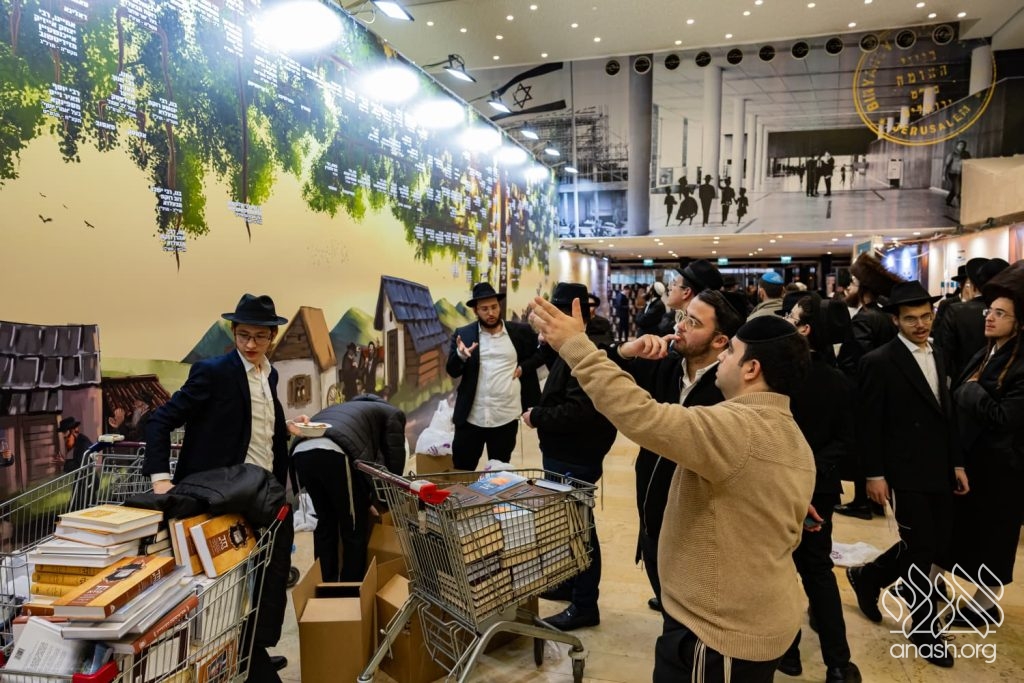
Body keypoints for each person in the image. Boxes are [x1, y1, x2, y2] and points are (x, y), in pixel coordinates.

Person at [529, 298, 815, 683]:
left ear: (752, 368)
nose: (723, 357)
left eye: (731, 351)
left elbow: (643, 415)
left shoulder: (739, 428)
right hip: (724, 620)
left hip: (717, 636)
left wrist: (575, 346)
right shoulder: (782, 428)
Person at [144, 293, 294, 681]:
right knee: (225, 587)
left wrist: (285, 434)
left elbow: (259, 425)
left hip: (262, 492)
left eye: (259, 337)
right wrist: (161, 478)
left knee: (267, 573)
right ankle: (249, 659)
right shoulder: (213, 372)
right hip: (221, 495)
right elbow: (160, 421)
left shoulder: (269, 374)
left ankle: (254, 647)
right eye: (243, 335)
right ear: (233, 331)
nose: (250, 344)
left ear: (272, 337)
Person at [845, 281, 969, 669]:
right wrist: (874, 474)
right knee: (920, 547)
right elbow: (868, 423)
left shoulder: (940, 353)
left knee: (934, 543)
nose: (920, 325)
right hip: (903, 468)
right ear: (895, 320)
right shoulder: (879, 361)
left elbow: (946, 413)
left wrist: (957, 463)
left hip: (939, 465)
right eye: (911, 319)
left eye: (926, 317)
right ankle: (924, 628)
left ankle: (868, 576)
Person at [616, 290, 740, 614]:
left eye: (693, 322)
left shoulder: (729, 388)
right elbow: (609, 382)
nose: (680, 326)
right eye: (683, 316)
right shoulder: (667, 366)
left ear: (720, 340)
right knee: (658, 570)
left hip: (696, 521)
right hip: (652, 501)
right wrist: (628, 352)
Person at [778, 293, 861, 683]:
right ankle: (838, 664)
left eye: (792, 317)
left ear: (806, 330)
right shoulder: (840, 380)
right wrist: (814, 470)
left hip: (778, 484)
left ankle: (788, 652)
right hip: (821, 489)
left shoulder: (781, 376)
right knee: (818, 570)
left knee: (779, 568)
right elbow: (846, 440)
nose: (786, 320)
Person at [523, 283, 617, 631]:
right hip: (564, 454)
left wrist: (537, 416)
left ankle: (584, 605)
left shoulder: (591, 352)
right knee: (569, 526)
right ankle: (570, 583)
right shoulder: (571, 347)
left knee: (581, 530)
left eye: (551, 315)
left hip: (576, 456)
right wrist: (545, 342)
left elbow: (578, 412)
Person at [946, 263, 1024, 627]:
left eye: (1000, 313)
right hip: (977, 460)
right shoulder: (989, 350)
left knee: (995, 537)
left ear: (1018, 323)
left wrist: (971, 391)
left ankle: (984, 606)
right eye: (990, 311)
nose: (990, 317)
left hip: (1004, 468)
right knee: (968, 531)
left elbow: (1005, 417)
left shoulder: (1020, 363)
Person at [290, 394, 406, 583]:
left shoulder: (348, 409)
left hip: (301, 452)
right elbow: (393, 464)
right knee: (353, 526)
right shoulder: (392, 414)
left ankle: (324, 585)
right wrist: (384, 502)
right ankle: (350, 589)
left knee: (325, 522)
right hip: (335, 453)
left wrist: (367, 499)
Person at [834, 253, 903, 520]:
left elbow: (855, 361)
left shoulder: (864, 319)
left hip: (864, 394)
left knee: (863, 447)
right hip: (885, 391)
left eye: (853, 283)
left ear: (863, 288)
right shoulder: (887, 316)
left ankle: (862, 502)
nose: (848, 288)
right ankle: (876, 501)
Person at [446, 282, 543, 471]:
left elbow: (540, 354)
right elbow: (452, 370)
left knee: (500, 473)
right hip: (471, 417)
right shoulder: (463, 335)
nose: (490, 313)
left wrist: (523, 368)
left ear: (499, 306)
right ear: (475, 310)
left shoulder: (519, 332)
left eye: (494, 307)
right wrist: (461, 356)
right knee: (462, 471)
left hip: (505, 416)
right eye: (484, 309)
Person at [934, 257, 1010, 383]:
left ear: (972, 286)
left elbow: (943, 354)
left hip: (962, 382)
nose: (990, 317)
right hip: (1001, 380)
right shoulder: (1011, 313)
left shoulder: (956, 311)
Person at [944, 139, 970, 207]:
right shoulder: (952, 154)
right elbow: (946, 165)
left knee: (955, 188)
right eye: (960, 145)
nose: (962, 146)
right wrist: (944, 175)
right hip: (953, 174)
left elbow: (970, 163)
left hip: (961, 174)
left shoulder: (967, 154)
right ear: (957, 146)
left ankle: (948, 200)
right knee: (958, 189)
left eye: (963, 145)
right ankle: (961, 205)